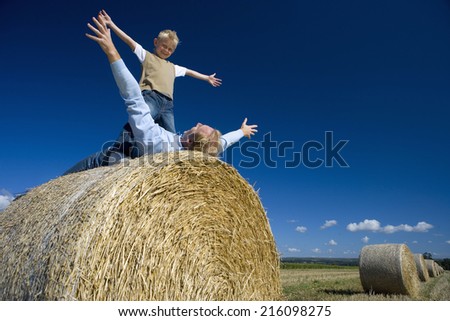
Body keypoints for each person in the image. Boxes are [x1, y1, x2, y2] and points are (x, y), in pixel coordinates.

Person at [63, 15, 257, 175]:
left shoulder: (158, 141)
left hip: (161, 105)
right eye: (164, 46)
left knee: (136, 121)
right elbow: (222, 142)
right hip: (154, 97)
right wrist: (241, 131)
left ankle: (119, 154)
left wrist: (112, 52)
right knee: (140, 126)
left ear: (190, 141)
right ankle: (121, 152)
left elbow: (134, 99)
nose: (197, 122)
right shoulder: (200, 151)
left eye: (199, 126)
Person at [99, 9, 222, 134]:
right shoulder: (146, 56)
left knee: (171, 135)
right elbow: (129, 41)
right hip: (151, 97)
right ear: (156, 42)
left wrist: (206, 78)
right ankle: (120, 148)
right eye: (164, 46)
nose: (166, 50)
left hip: (168, 105)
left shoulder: (173, 67)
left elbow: (190, 72)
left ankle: (169, 153)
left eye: (170, 49)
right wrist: (111, 24)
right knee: (139, 124)